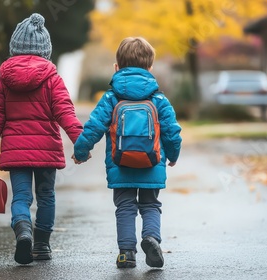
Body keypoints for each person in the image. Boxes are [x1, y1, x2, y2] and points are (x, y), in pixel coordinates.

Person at [0, 13, 83, 265]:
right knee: (46, 196)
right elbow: (66, 113)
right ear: (45, 50)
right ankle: (41, 246)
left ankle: (23, 230)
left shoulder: (3, 81)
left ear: (14, 48)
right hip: (47, 151)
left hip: (16, 154)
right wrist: (81, 143)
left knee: (22, 198)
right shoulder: (53, 79)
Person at [72, 37, 182, 268]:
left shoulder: (111, 98)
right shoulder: (158, 99)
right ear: (150, 68)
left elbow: (93, 127)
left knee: (125, 207)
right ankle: (151, 238)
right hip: (152, 163)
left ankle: (126, 254)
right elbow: (172, 132)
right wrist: (173, 155)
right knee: (151, 205)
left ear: (116, 67)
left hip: (120, 163)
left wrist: (81, 152)